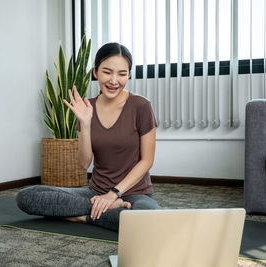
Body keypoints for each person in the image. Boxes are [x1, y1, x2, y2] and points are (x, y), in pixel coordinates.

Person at [16, 42, 160, 232]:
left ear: (129, 75)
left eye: (122, 74)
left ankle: (82, 217)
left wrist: (113, 195)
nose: (114, 80)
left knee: (151, 220)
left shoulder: (141, 106)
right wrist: (85, 124)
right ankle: (103, 212)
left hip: (133, 194)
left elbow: (147, 161)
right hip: (94, 194)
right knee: (27, 196)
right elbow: (84, 163)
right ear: (95, 72)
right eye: (107, 72)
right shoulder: (85, 108)